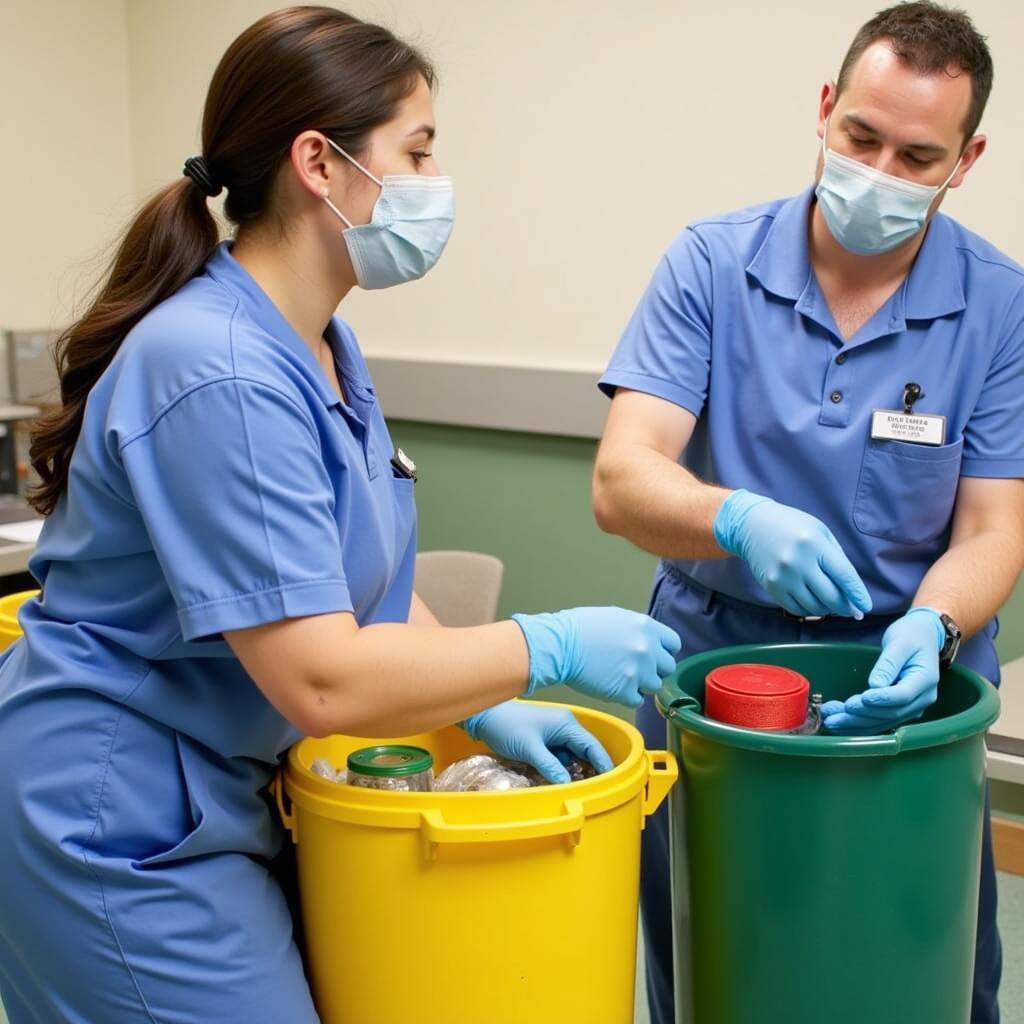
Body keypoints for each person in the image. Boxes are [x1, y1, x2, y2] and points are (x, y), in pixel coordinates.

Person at [0, 8, 681, 1022]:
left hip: (212, 794)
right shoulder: (218, 366)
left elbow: (353, 595)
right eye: (417, 150)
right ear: (319, 163)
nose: (435, 183)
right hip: (108, 817)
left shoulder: (321, 349)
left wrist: (478, 702)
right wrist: (544, 645)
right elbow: (320, 673)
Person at [592, 4, 1023, 1023]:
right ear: (824, 111)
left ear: (966, 159)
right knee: (723, 967)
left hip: (907, 691)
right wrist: (736, 518)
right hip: (718, 679)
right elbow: (622, 479)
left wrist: (934, 624)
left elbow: (991, 528)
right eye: (861, 137)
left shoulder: (999, 304)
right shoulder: (710, 264)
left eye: (917, 156)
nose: (879, 171)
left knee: (926, 972)